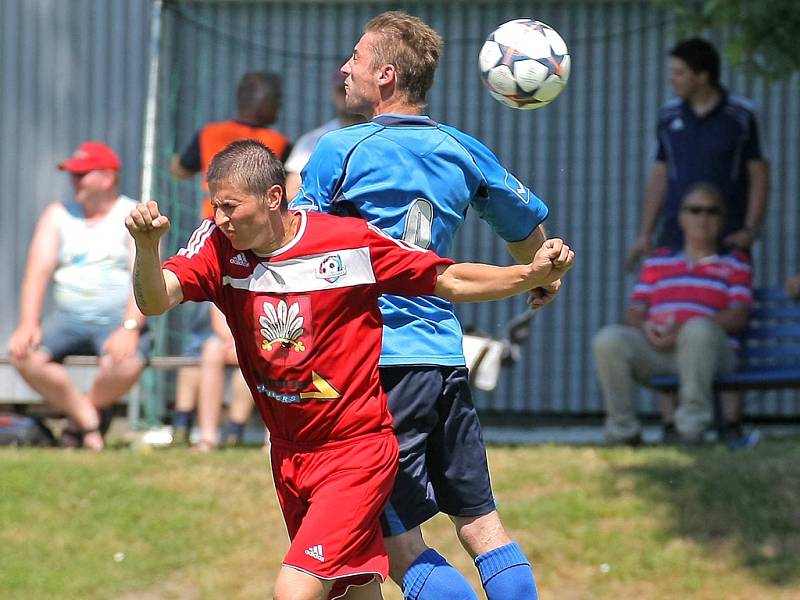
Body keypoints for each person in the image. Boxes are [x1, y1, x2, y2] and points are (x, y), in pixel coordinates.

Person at [125, 140, 573, 600]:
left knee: (294, 591)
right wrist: (146, 248)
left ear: (273, 198)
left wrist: (527, 276)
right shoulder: (218, 247)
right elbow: (155, 300)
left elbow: (447, 278)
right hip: (290, 454)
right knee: (355, 594)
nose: (220, 218)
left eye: (231, 207)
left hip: (355, 452)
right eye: (215, 205)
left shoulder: (347, 241)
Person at [290, 11, 561, 599]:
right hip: (443, 357)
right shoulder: (461, 149)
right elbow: (525, 231)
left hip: (376, 366)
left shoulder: (340, 148)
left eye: (356, 58)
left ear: (385, 75)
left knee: (395, 546)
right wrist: (541, 276)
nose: (344, 68)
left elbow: (300, 246)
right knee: (483, 527)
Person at [170, 71, 290, 449]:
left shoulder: (209, 133)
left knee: (199, 340)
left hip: (208, 238)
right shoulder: (276, 144)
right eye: (276, 101)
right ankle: (235, 428)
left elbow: (178, 168)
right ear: (264, 104)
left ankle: (183, 422)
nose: (279, 108)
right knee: (251, 334)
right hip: (247, 242)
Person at [6, 141, 149, 450]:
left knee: (127, 363)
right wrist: (28, 323)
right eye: (73, 175)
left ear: (108, 178)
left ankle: (78, 423)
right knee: (22, 354)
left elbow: (145, 279)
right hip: (67, 318)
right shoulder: (57, 215)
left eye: (82, 174)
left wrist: (129, 328)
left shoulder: (133, 214)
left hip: (116, 319)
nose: (74, 181)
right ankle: (87, 417)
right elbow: (37, 272)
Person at [594, 183, 753, 445]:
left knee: (698, 330)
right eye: (695, 210)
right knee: (609, 339)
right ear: (681, 217)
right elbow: (634, 312)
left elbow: (738, 316)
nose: (703, 218)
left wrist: (685, 328)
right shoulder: (658, 261)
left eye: (712, 211)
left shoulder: (735, 263)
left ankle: (690, 431)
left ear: (722, 219)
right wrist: (646, 327)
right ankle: (623, 433)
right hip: (660, 351)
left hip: (711, 355)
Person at [626, 38, 769, 270]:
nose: (672, 79)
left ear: (702, 76)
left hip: (727, 236)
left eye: (679, 73)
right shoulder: (668, 116)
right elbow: (659, 174)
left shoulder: (742, 116)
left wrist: (750, 230)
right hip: (674, 234)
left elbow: (759, 175)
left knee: (723, 302)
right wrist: (645, 234)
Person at [283, 68, 365, 199]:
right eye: (341, 90)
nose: (346, 95)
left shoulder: (383, 135)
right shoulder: (312, 140)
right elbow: (292, 192)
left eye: (350, 89)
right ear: (333, 93)